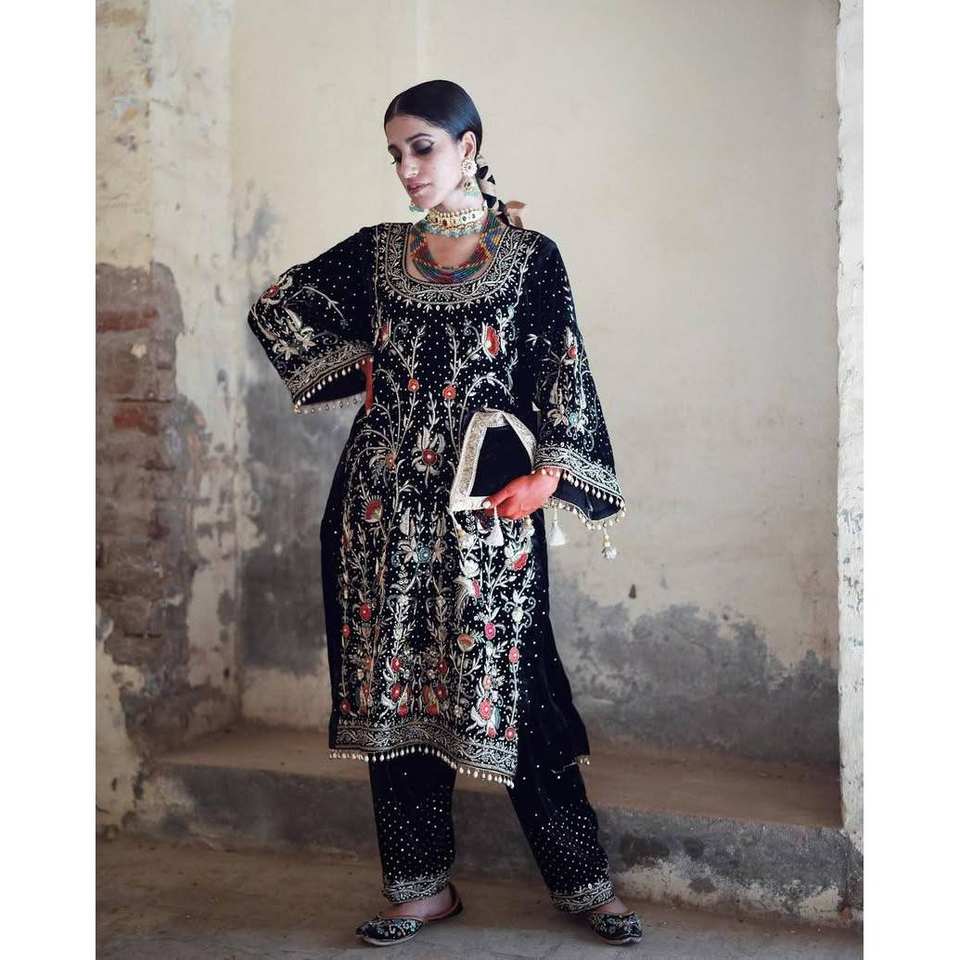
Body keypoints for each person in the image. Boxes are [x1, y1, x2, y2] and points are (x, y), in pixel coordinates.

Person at [246, 79, 642, 948]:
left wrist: (549, 478)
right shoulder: (380, 251)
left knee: (518, 692)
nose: (406, 168)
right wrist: (360, 364)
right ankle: (420, 888)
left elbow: (563, 370)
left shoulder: (530, 258)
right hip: (378, 509)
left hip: (483, 511)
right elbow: (277, 304)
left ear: (468, 146)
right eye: (395, 153)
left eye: (422, 147)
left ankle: (585, 885)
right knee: (394, 697)